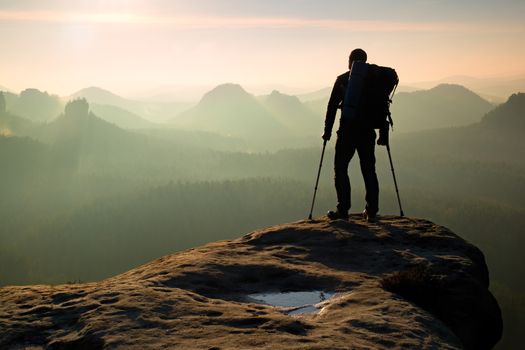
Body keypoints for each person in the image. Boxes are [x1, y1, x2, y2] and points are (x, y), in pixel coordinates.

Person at [322, 48, 388, 222]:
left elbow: (331, 106)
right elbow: (383, 108)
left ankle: (343, 210)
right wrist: (383, 132)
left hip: (346, 132)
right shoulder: (374, 80)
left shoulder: (343, 80)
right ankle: (371, 211)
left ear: (350, 60)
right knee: (369, 170)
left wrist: (327, 131)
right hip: (367, 133)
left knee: (341, 169)